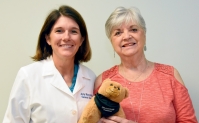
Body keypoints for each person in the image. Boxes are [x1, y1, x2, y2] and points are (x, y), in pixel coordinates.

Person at [95, 6, 198, 123]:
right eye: (118, 33)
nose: (126, 36)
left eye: (133, 29)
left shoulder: (170, 76)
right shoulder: (103, 82)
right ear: (111, 42)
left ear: (144, 35)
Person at [3, 5, 96, 123]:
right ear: (48, 38)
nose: (66, 37)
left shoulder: (90, 77)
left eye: (73, 31)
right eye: (59, 31)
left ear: (82, 39)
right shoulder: (28, 75)